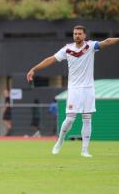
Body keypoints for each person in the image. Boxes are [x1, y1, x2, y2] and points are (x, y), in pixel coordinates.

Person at [27, 25, 119, 157]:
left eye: (80, 33)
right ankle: (59, 141)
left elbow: (108, 41)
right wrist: (34, 69)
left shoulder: (90, 46)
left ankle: (85, 150)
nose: (77, 35)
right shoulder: (67, 49)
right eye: (75, 33)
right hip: (74, 89)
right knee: (70, 119)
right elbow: (51, 59)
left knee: (87, 119)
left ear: (85, 35)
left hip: (88, 88)